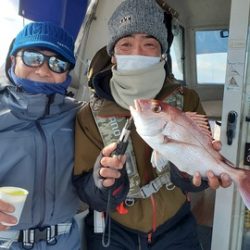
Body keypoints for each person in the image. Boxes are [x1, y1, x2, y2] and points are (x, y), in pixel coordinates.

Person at [73, 0, 232, 249]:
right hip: (115, 229)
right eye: (126, 44)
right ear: (113, 55)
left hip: (176, 225)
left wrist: (191, 173)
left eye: (149, 44)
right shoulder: (88, 114)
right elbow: (84, 188)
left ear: (162, 53)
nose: (137, 52)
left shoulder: (186, 99)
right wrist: (103, 182)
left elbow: (192, 177)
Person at [0, 21, 83, 249]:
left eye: (57, 63)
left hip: (65, 241)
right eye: (32, 57)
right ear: (12, 59)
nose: (43, 70)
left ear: (67, 73)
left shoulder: (81, 115)